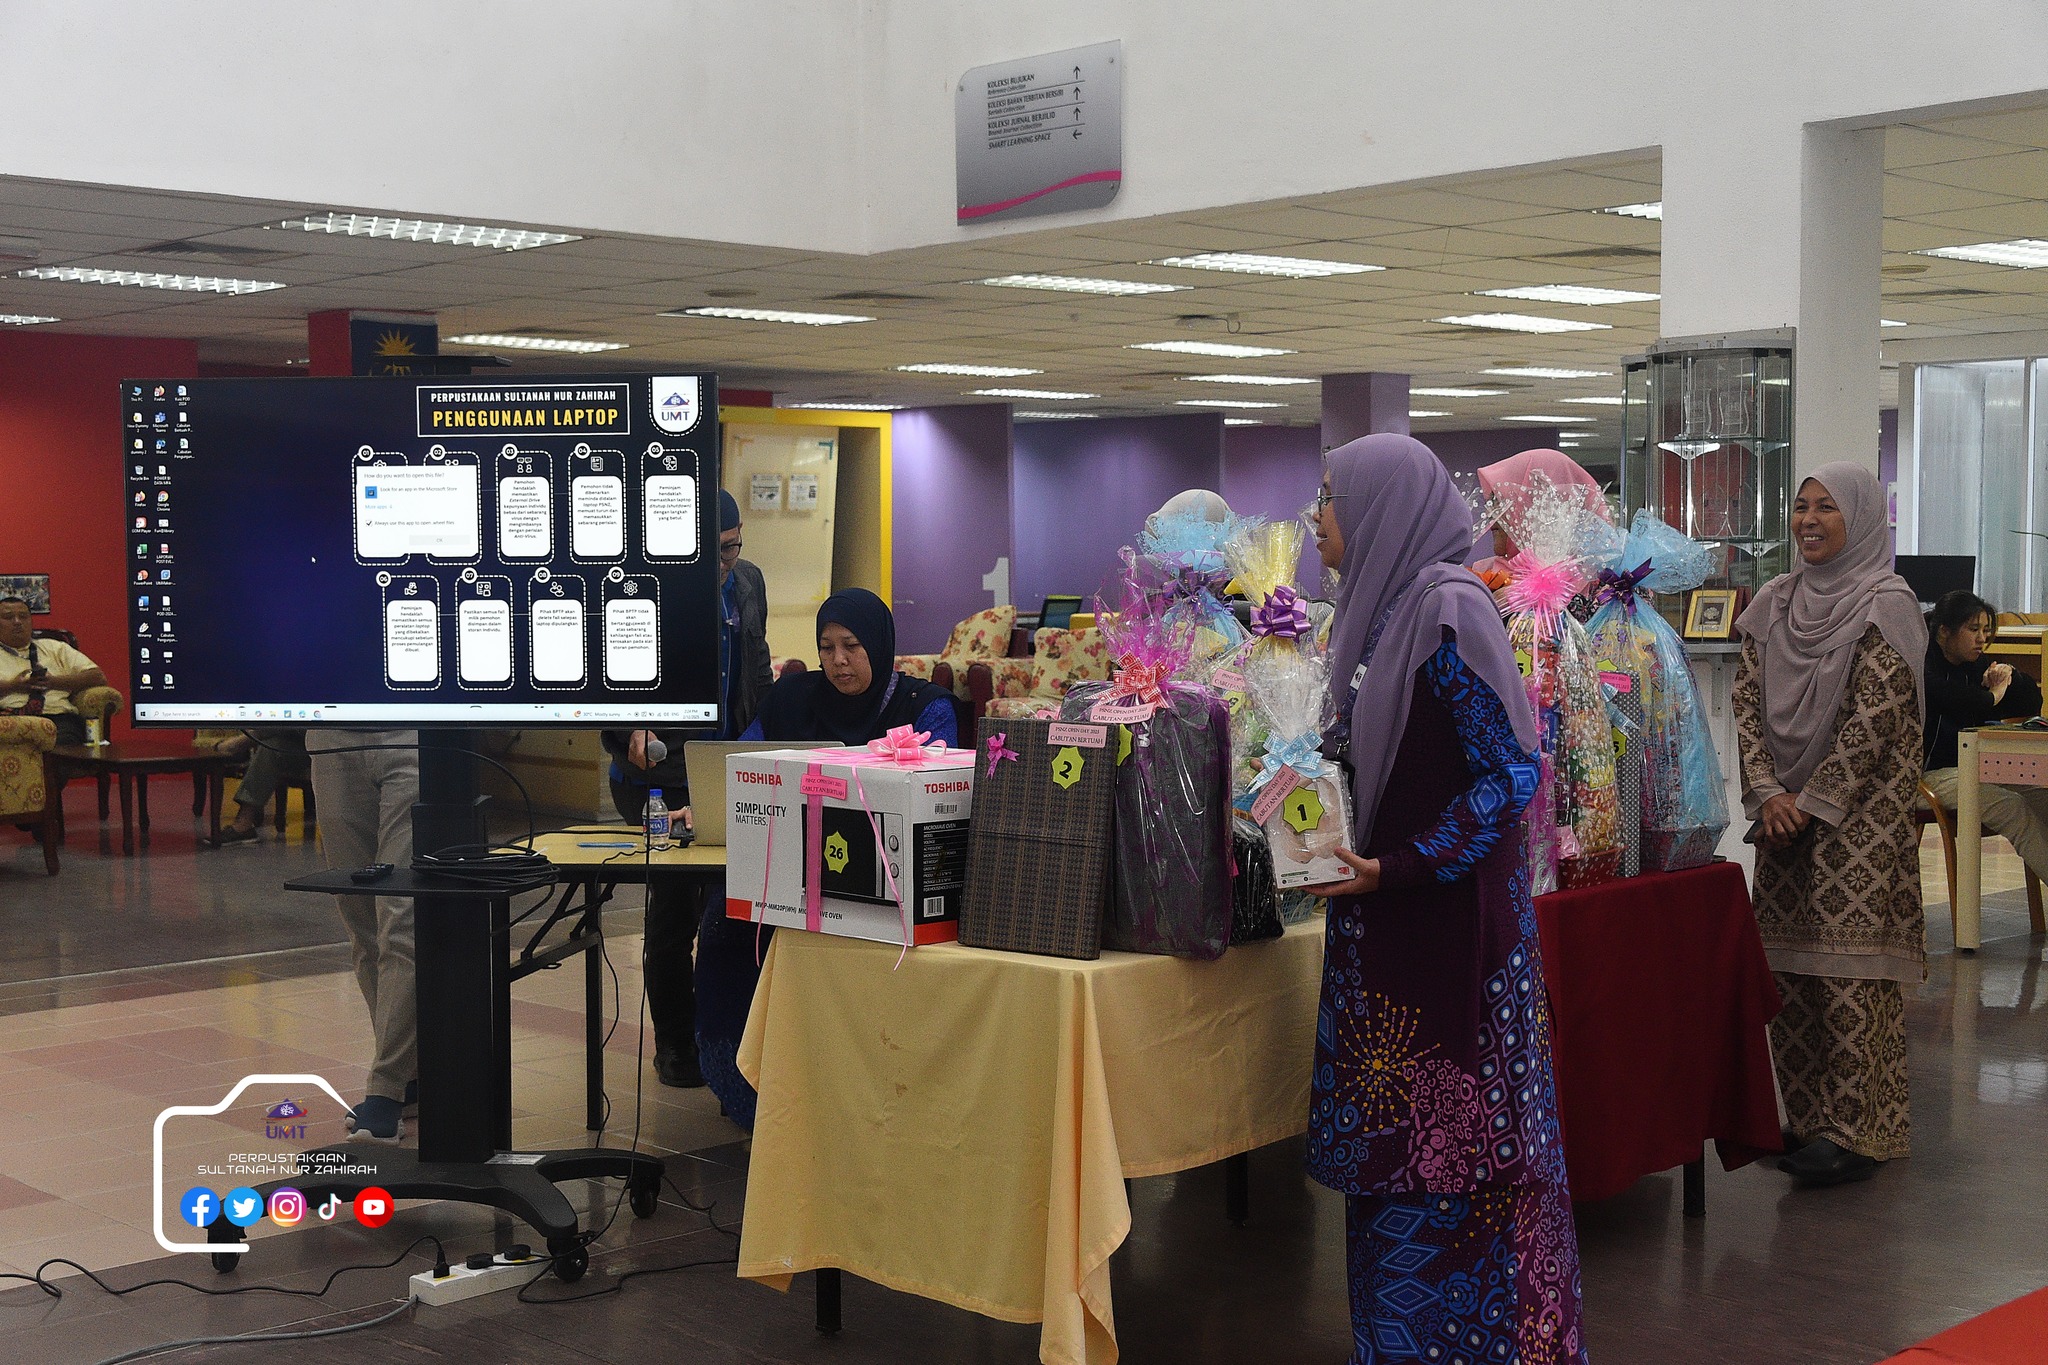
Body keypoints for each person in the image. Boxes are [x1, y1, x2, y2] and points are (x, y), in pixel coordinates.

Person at [1302, 433, 1587, 1364]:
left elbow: (1510, 776)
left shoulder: (1449, 612)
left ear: (1381, 507)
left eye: (1331, 497)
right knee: (1398, 1170)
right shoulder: (1377, 615)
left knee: (1462, 1169)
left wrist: (1402, 866)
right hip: (1389, 941)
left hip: (1451, 946)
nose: (1318, 517)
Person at [1733, 462, 1927, 1188]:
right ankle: (1809, 1116)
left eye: (1826, 508)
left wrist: (1809, 802)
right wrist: (1766, 792)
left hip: (1859, 822)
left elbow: (1873, 720)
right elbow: (1746, 702)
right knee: (1788, 969)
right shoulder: (1774, 603)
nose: (1808, 520)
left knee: (1850, 973)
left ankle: (1860, 1128)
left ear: (1862, 519)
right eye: (1800, 506)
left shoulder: (1888, 606)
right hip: (1781, 815)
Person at [698, 588, 958, 1127]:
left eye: (852, 646)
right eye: (826, 647)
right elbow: (738, 763)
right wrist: (700, 804)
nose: (838, 660)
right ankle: (748, 1088)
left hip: (886, 885)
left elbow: (939, 790)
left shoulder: (923, 706)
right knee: (725, 919)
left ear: (879, 645)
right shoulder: (792, 698)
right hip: (788, 874)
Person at [603, 488, 773, 1089]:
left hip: (724, 764)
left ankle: (725, 1041)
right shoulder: (645, 585)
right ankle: (677, 1043)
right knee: (675, 910)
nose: (724, 563)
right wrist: (629, 728)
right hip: (659, 774)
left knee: (729, 908)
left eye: (732, 549)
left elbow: (755, 669)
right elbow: (608, 680)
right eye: (713, 553)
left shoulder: (747, 583)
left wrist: (762, 744)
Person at [306, 728, 420, 1143]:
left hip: (413, 728)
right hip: (332, 732)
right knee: (360, 919)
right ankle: (409, 1075)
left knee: (401, 914)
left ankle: (386, 1088)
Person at [1921, 592, 2048, 885]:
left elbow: (2032, 703)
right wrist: (1993, 695)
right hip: (1927, 775)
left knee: (2042, 796)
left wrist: (2010, 675)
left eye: (1986, 630)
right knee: (2013, 807)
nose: (1982, 639)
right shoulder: (1922, 663)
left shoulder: (1975, 663)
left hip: (1975, 768)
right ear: (1944, 632)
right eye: (1973, 630)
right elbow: (1954, 698)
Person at [0, 597, 107, 747]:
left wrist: (53, 682)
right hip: (11, 721)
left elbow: (97, 677)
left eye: (23, 616)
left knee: (64, 742)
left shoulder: (56, 648)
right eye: (8, 617)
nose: (17, 622)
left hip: (58, 718)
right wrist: (14, 686)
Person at [208, 728, 310, 845]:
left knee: (274, 743)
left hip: (319, 749)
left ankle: (238, 745)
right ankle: (243, 744)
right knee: (272, 744)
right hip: (300, 744)